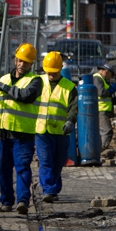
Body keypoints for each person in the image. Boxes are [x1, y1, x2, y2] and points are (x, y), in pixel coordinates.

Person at [0, 43, 43, 215]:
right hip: (2, 132)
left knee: (22, 167)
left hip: (23, 134)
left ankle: (23, 201)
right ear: (15, 59)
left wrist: (4, 88)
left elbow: (25, 96)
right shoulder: (4, 79)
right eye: (20, 61)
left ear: (31, 65)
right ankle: (6, 201)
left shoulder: (35, 81)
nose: (22, 65)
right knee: (2, 168)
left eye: (26, 63)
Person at [35, 52, 77, 203]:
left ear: (60, 69)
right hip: (42, 130)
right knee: (45, 161)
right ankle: (48, 190)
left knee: (58, 162)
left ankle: (54, 188)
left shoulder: (69, 87)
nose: (51, 74)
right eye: (49, 71)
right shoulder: (39, 81)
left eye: (54, 71)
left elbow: (73, 107)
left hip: (60, 131)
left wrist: (70, 121)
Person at [93, 64, 116, 149]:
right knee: (107, 131)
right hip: (101, 110)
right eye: (110, 76)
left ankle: (100, 150)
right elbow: (101, 93)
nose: (110, 78)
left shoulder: (101, 79)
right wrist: (110, 90)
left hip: (102, 110)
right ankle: (102, 151)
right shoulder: (97, 78)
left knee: (102, 132)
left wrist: (111, 100)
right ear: (106, 72)